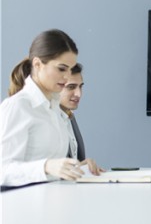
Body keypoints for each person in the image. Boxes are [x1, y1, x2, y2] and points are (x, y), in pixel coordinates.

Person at [1, 29, 101, 187]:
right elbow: (3, 171)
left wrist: (76, 169)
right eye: (61, 69)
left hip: (53, 203)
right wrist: (46, 166)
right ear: (37, 64)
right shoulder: (17, 106)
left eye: (70, 69)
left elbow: (51, 169)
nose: (67, 76)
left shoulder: (55, 110)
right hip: (23, 207)